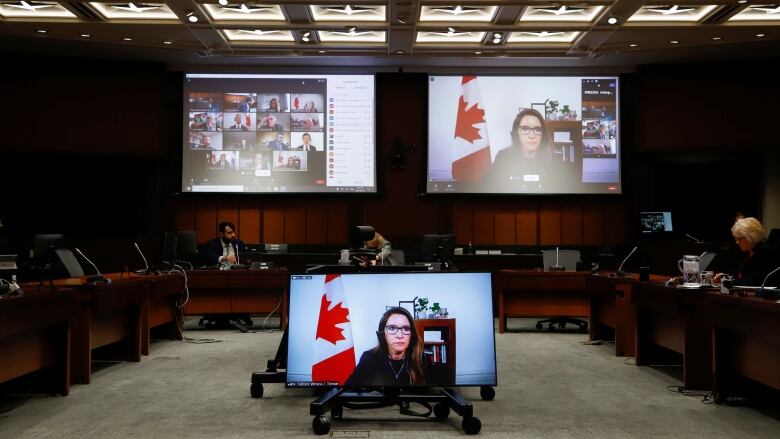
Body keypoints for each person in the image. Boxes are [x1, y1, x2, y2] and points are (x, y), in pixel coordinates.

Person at [344, 307, 428, 387]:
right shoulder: (368, 358)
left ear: (411, 334)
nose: (399, 335)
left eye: (406, 328)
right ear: (383, 334)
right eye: (392, 328)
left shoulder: (421, 358)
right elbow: (347, 391)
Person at [483, 108, 550, 191]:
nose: (532, 135)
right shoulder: (503, 157)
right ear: (516, 133)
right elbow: (487, 188)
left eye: (537, 129)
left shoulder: (552, 161)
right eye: (525, 129)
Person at [714, 217, 778, 286]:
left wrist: (729, 282)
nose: (737, 242)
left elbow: (754, 282)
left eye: (739, 239)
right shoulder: (746, 253)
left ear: (750, 236)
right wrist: (725, 277)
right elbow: (741, 278)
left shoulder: (765, 252)